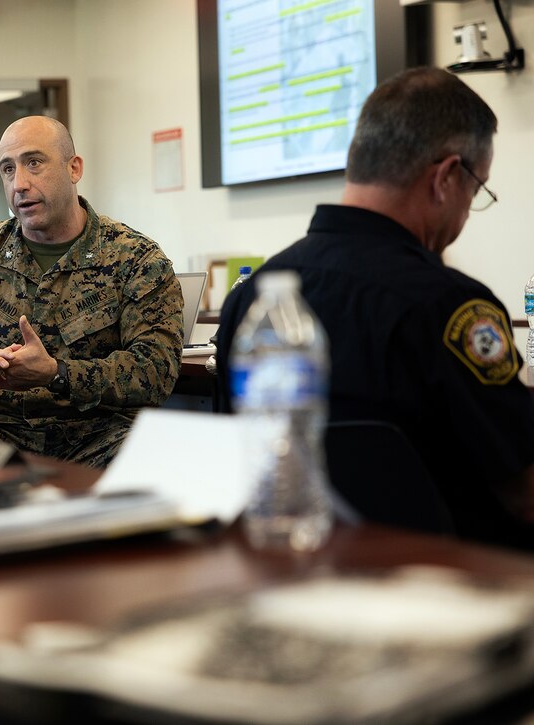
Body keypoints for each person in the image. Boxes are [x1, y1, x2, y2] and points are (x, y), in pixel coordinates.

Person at [216, 67, 534, 551]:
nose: (468, 212)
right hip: (451, 577)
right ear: (446, 177)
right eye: (477, 190)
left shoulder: (252, 297)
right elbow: (524, 493)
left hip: (296, 569)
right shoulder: (450, 306)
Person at [0, 115, 184, 468]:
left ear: (74, 168)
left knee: (162, 457)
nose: (19, 184)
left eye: (34, 163)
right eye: (8, 169)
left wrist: (57, 373)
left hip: (100, 434)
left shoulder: (135, 259)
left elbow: (155, 370)